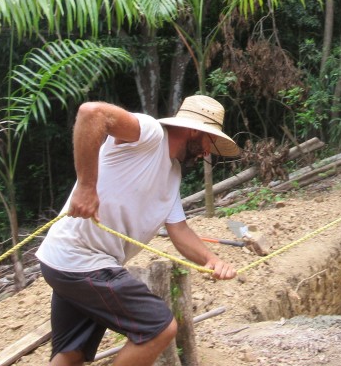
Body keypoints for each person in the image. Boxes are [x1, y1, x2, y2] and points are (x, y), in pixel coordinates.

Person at [36, 95, 241, 366]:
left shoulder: (172, 172)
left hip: (70, 262)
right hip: (81, 259)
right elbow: (91, 112)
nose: (207, 152)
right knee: (159, 327)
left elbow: (178, 229)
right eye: (209, 142)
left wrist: (212, 260)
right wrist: (86, 186)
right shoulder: (150, 134)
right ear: (195, 131)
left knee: (70, 355)